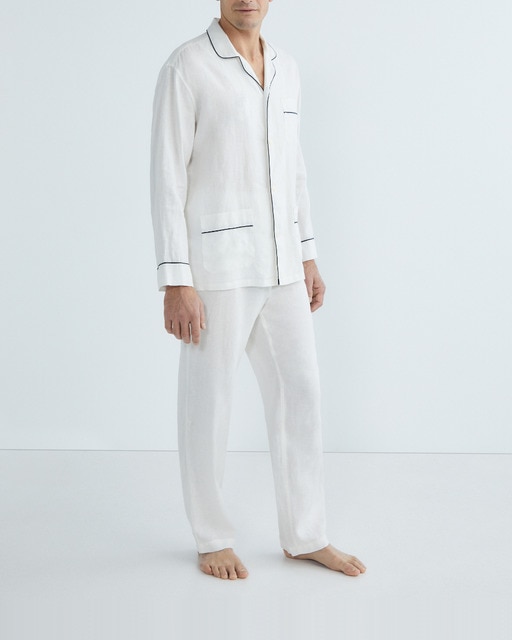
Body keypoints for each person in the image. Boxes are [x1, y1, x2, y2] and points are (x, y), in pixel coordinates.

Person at [150, 0, 366, 580]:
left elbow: (294, 169)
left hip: (283, 265)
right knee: (209, 403)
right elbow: (166, 178)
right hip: (216, 265)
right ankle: (212, 536)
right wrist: (176, 279)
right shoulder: (187, 66)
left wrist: (308, 253)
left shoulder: (287, 68)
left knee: (302, 393)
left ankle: (305, 533)